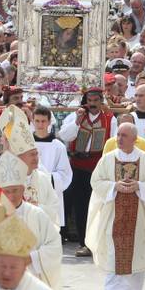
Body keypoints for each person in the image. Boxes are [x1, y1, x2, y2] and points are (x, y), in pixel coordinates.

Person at [86, 122, 145, 290]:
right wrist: (114, 186)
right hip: (113, 219)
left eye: (124, 135)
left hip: (139, 221)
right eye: (118, 135)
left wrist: (139, 186)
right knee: (114, 261)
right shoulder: (107, 159)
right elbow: (96, 181)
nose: (119, 139)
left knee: (137, 261)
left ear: (134, 139)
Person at [0, 106, 61, 226]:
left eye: (35, 154)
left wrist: (36, 207)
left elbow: (54, 207)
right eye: (6, 139)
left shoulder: (40, 172)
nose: (8, 143)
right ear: (1, 139)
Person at [0, 150, 62, 288]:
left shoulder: (37, 214)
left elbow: (54, 245)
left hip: (31, 280)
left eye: (15, 190)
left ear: (23, 189)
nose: (11, 196)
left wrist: (31, 258)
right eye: (7, 191)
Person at [59, 86, 116, 257]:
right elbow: (64, 136)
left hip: (98, 168)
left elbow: (113, 142)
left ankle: (98, 242)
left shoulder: (110, 119)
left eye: (96, 101)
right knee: (81, 206)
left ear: (101, 101)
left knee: (99, 206)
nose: (92, 104)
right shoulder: (76, 116)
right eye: (89, 101)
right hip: (78, 166)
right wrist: (77, 121)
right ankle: (84, 243)